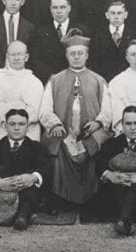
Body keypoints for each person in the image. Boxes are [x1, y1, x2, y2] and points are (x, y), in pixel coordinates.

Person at [39, 35, 111, 206]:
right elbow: (44, 109)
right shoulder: (55, 80)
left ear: (87, 55)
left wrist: (98, 123)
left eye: (80, 53)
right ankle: (60, 199)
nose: (77, 57)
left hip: (90, 130)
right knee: (53, 142)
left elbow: (108, 109)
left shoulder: (98, 80)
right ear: (67, 56)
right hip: (63, 130)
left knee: (98, 143)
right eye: (73, 54)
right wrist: (54, 123)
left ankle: (91, 199)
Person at [0, 108, 49, 230]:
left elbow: (46, 168)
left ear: (27, 127)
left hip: (26, 189)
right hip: (2, 189)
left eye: (21, 124)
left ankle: (23, 216)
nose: (16, 128)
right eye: (12, 124)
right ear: (5, 126)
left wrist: (33, 177)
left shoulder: (36, 147)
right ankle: (7, 214)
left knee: (31, 194)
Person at [96, 105, 136, 236]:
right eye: (128, 123)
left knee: (135, 187)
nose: (132, 127)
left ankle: (124, 219)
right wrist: (110, 175)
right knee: (119, 187)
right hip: (116, 190)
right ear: (122, 125)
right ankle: (128, 220)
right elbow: (99, 165)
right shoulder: (111, 144)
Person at [0, 41, 45, 144]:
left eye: (20, 54)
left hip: (28, 132)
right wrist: (19, 106)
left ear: (26, 57)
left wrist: (7, 107)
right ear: (7, 56)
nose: (16, 58)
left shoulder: (35, 82)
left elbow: (34, 111)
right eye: (13, 54)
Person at [28, 0, 85, 82]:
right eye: (55, 8)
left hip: (77, 79)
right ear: (50, 9)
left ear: (69, 8)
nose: (59, 11)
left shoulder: (82, 30)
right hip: (51, 80)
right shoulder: (40, 32)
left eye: (62, 7)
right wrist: (55, 78)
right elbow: (36, 61)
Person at [87, 0, 134, 81]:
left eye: (119, 13)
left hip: (129, 81)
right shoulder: (97, 36)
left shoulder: (134, 35)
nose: (116, 17)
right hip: (105, 80)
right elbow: (94, 62)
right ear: (107, 15)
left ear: (126, 15)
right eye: (112, 13)